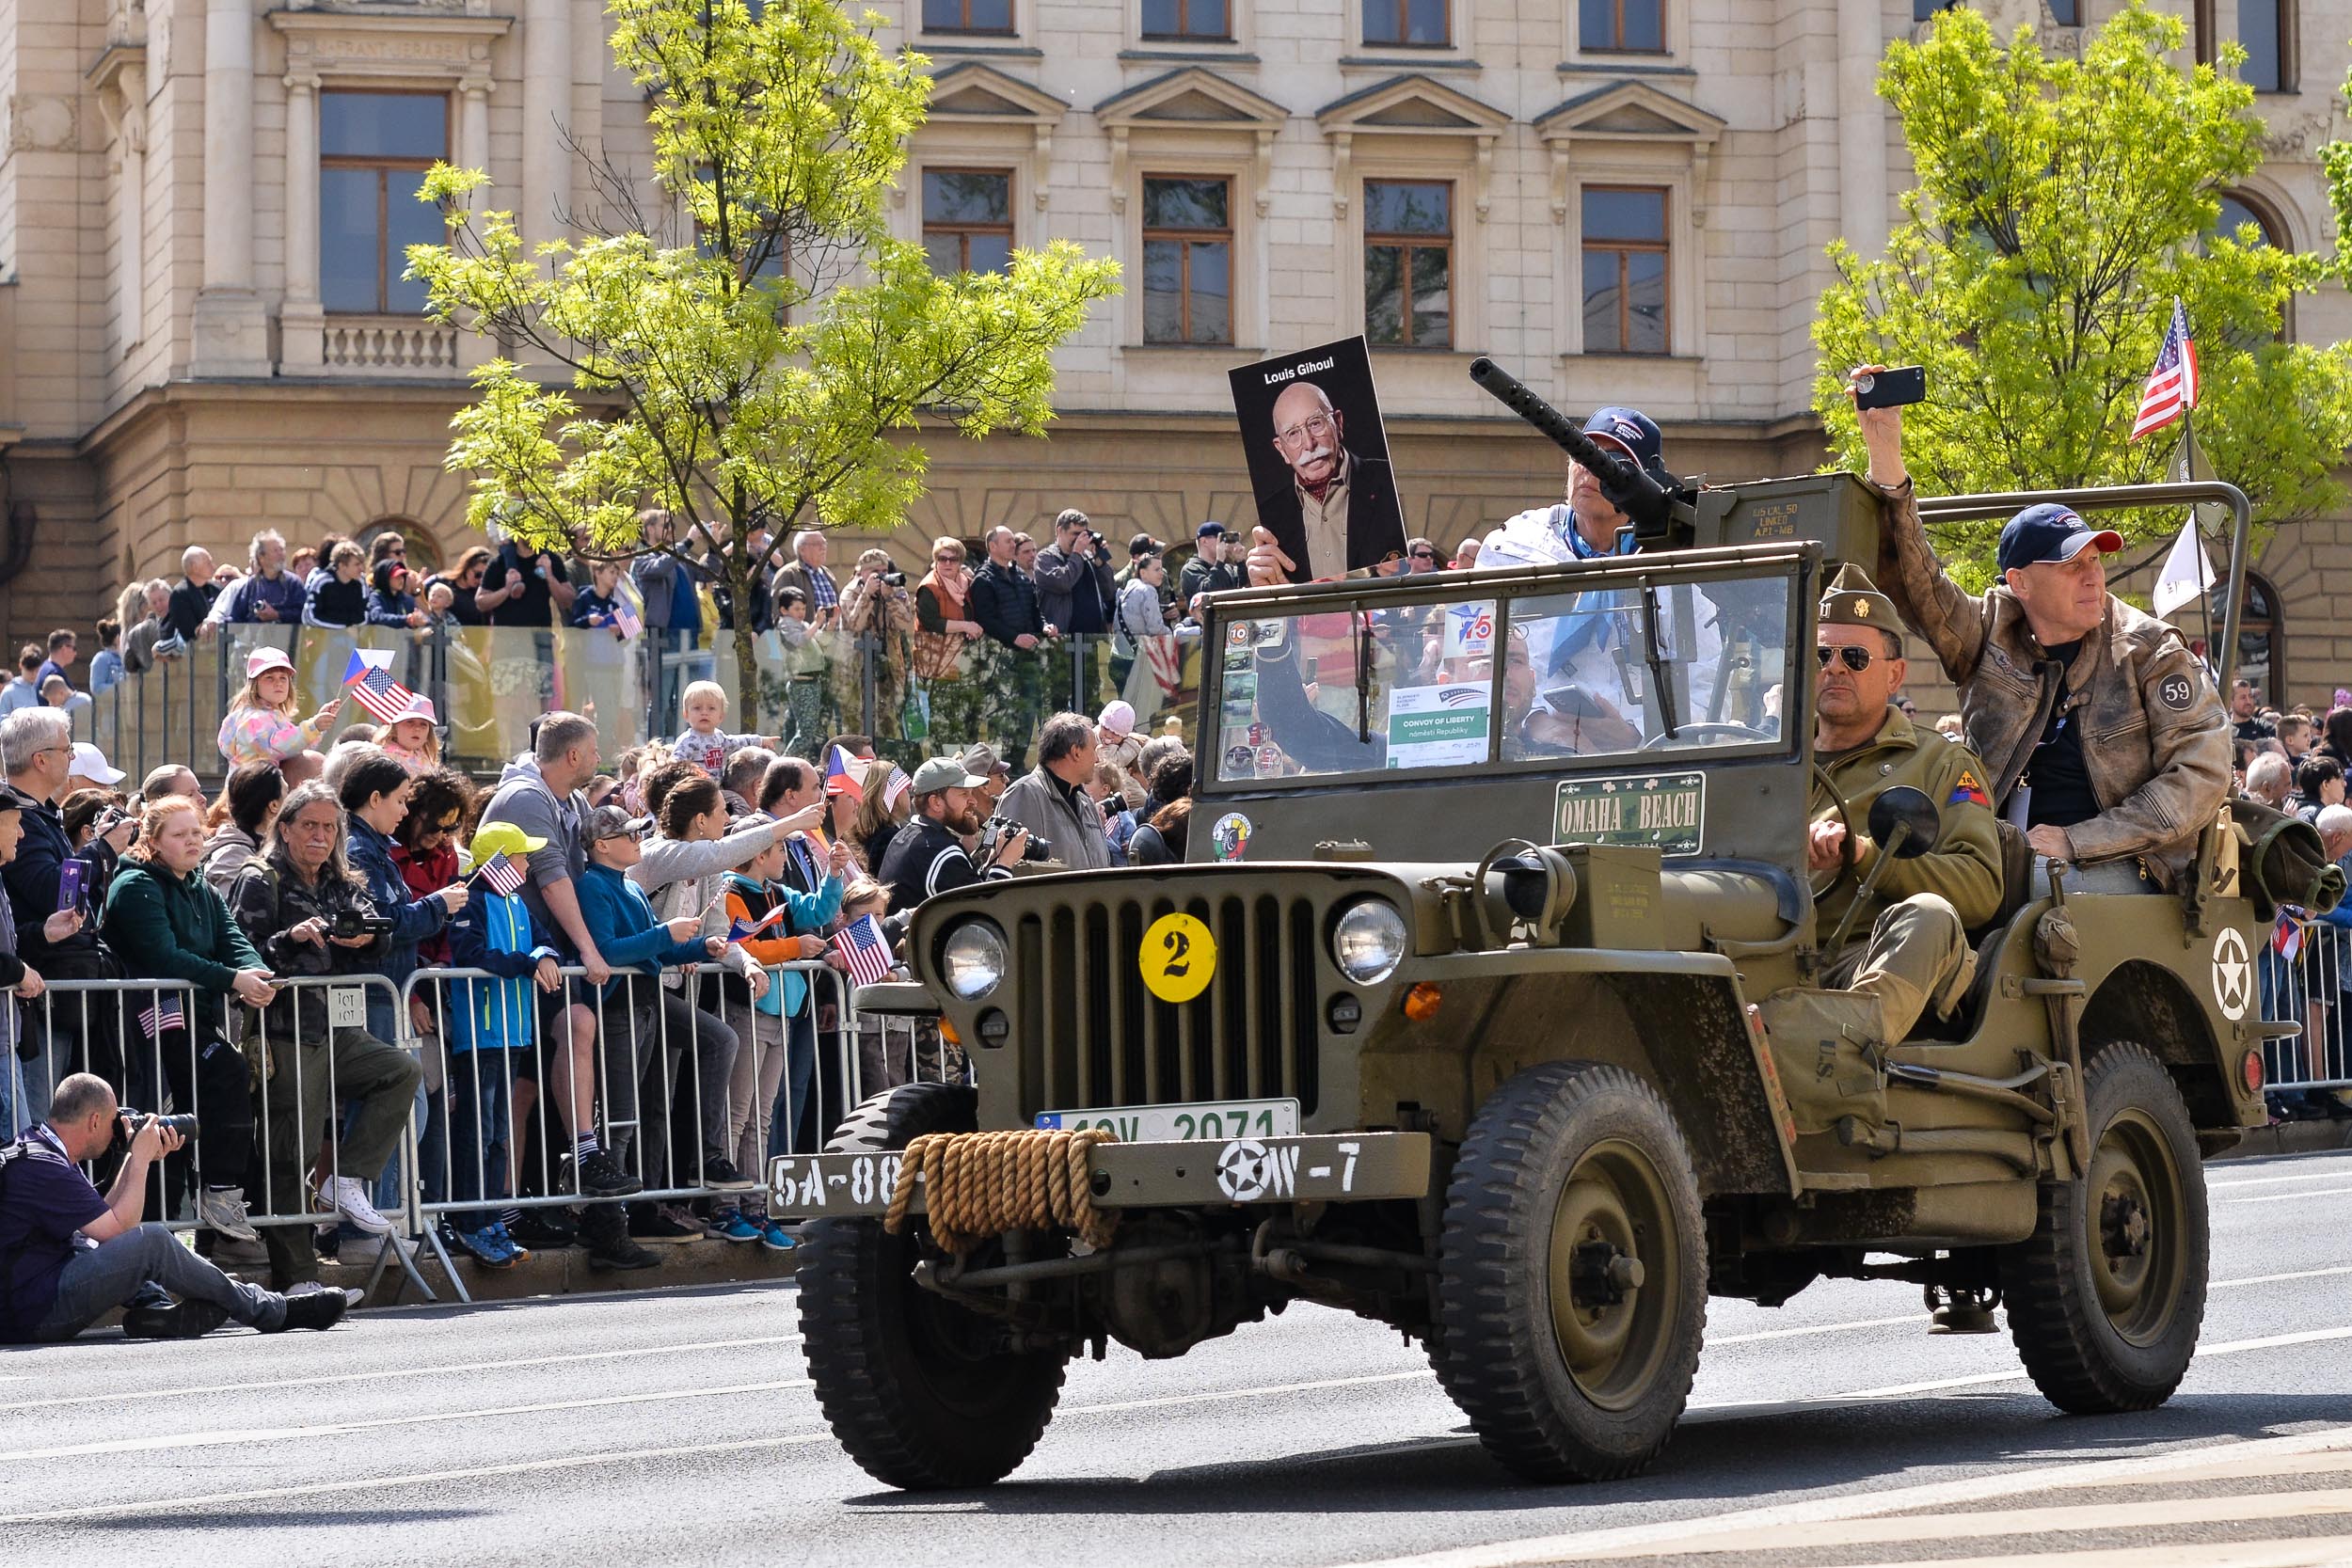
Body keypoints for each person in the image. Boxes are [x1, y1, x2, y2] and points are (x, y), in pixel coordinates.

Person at [1854, 369, 2232, 889]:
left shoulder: (2148, 651)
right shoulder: (1990, 632)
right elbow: (1918, 587)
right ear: (2020, 583)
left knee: (2029, 891)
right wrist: (1885, 452)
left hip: (2125, 865)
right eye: (2071, 565)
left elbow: (2201, 775)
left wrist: (2080, 840)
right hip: (1995, 854)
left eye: (2095, 560)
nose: (2092, 576)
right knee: (1892, 885)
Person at [225, 783, 428, 1286]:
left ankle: (347, 1179)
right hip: (282, 1029)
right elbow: (239, 950)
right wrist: (290, 939)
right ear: (285, 828)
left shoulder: (340, 878)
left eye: (329, 827)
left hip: (336, 1026)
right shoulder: (261, 877)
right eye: (309, 826)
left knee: (400, 1071)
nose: (320, 836)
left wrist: (366, 937)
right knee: (292, 1154)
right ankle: (299, 1277)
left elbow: (376, 930)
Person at [1796, 566, 2004, 1050]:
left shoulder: (1939, 763)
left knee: (1930, 916)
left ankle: (1838, 1050)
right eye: (1823, 655)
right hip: (1758, 950)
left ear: (1895, 674)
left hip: (1863, 957)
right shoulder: (1773, 759)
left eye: (1855, 657)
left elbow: (1981, 887)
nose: (1835, 668)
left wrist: (1865, 856)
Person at [0, 1075, 348, 1340]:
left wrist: (134, 1157)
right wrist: (140, 1158)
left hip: (31, 1296)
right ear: (93, 1121)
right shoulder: (43, 1167)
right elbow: (117, 1229)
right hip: (31, 1312)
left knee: (99, 1245)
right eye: (111, 1122)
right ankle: (271, 1310)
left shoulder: (40, 1147)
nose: (115, 1130)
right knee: (151, 1242)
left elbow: (100, 1219)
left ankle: (157, 1311)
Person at [96, 793, 274, 1247]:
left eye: (197, 831)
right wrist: (232, 979)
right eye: (179, 834)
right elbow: (165, 956)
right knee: (172, 1117)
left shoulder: (201, 886)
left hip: (194, 1018)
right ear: (153, 841)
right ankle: (204, 1201)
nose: (193, 841)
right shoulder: (134, 885)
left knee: (192, 1116)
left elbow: (232, 938)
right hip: (143, 1027)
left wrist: (255, 972)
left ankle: (214, 1206)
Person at [576, 803, 736, 1250]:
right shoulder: (592, 885)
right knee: (621, 1117)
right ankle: (607, 1226)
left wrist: (702, 947)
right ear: (601, 846)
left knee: (719, 1041)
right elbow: (608, 951)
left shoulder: (627, 885)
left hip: (645, 1002)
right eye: (629, 834)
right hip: (618, 1008)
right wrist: (668, 934)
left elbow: (657, 953)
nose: (638, 840)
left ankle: (704, 1158)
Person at [714, 825, 850, 1242]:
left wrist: (833, 875)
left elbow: (817, 912)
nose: (785, 858)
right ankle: (725, 1209)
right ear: (758, 854)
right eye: (778, 850)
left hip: (783, 1016)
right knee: (737, 1114)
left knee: (761, 1116)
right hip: (747, 1012)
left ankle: (757, 1208)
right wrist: (794, 947)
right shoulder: (730, 893)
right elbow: (744, 947)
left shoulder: (777, 892)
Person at [479, 712, 613, 990]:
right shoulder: (525, 797)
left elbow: (603, 860)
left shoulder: (574, 799)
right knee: (578, 1016)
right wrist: (589, 950)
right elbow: (553, 881)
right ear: (573, 756)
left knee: (582, 1017)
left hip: (552, 950)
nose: (598, 759)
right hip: (518, 956)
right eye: (594, 751)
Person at [1252, 380, 1404, 582]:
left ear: (1338, 423)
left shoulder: (1389, 483)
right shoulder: (1271, 516)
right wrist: (1263, 588)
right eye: (1293, 434)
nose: (1309, 444)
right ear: (1281, 449)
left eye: (1315, 423)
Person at [877, 756, 1026, 914]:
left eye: (971, 793)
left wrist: (993, 860)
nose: (973, 801)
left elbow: (970, 888)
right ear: (936, 802)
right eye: (964, 794)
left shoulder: (905, 836)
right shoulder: (941, 852)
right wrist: (1005, 863)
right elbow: (984, 912)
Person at [994, 711, 1112, 872]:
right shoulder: (1025, 794)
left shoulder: (1086, 803)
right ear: (1076, 752)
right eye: (1093, 750)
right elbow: (1010, 869)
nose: (1097, 759)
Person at [835, 548, 919, 746]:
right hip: (855, 667)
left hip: (887, 665)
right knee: (855, 721)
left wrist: (889, 598)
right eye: (875, 571)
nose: (881, 575)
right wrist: (867, 595)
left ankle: (884, 759)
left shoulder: (894, 589)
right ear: (862, 572)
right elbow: (855, 623)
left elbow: (905, 622)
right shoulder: (851, 592)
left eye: (884, 570)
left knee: (888, 720)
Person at [217, 646, 343, 768]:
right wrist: (313, 726)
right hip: (254, 782)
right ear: (254, 685)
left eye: (283, 678)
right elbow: (279, 746)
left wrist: (319, 725)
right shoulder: (255, 719)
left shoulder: (270, 715)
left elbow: (297, 746)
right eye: (269, 678)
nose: (278, 683)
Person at [199, 760, 286, 896]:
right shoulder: (232, 856)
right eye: (288, 794)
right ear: (274, 806)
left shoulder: (265, 846)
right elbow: (234, 906)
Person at [1031, 511, 1114, 641]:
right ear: (1059, 531)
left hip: (1094, 639)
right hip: (1062, 640)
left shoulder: (1087, 558)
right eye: (1075, 534)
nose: (1079, 539)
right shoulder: (1045, 558)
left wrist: (1100, 564)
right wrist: (1077, 553)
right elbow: (1062, 583)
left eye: (1083, 534)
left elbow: (1109, 592)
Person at [673, 678, 778, 772]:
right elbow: (675, 766)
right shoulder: (688, 741)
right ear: (686, 715)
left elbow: (737, 742)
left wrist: (760, 740)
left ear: (721, 716)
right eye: (697, 708)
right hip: (697, 786)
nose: (704, 712)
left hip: (718, 785)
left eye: (711, 708)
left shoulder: (719, 737)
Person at [477, 533, 578, 628]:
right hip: (506, 635)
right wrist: (506, 590)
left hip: (540, 635)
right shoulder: (499, 562)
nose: (532, 532)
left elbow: (568, 602)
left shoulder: (551, 560)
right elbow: (481, 603)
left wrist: (550, 576)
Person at [212, 529, 309, 627]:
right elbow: (236, 618)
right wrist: (216, 625)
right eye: (275, 550)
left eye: (281, 549)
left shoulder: (294, 583)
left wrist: (277, 615)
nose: (281, 554)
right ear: (261, 557)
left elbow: (303, 614)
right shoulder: (250, 585)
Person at [771, 531, 841, 633]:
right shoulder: (788, 574)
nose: (823, 547)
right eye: (817, 544)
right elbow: (777, 612)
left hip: (831, 637)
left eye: (824, 543)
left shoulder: (827, 574)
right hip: (805, 639)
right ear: (802, 550)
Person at [1177, 521, 1247, 608]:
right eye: (1221, 539)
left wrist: (1240, 562)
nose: (1224, 543)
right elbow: (1207, 593)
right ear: (1204, 541)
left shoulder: (1228, 569)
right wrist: (1219, 561)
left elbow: (1243, 589)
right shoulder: (1190, 569)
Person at [301, 541, 369, 629]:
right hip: (322, 636)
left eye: (362, 564)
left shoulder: (361, 582)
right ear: (342, 566)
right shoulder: (322, 582)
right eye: (357, 564)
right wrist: (342, 627)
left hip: (350, 636)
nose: (362, 568)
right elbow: (309, 617)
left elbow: (364, 616)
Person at [164, 546, 222, 643]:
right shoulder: (180, 595)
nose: (214, 567)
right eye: (208, 563)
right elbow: (189, 633)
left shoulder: (217, 589)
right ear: (195, 567)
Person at [378, 694, 442, 775]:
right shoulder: (385, 759)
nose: (417, 728)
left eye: (423, 724)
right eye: (410, 722)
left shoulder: (427, 759)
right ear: (394, 729)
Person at [120, 579, 175, 674]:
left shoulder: (127, 631)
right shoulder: (141, 630)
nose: (157, 605)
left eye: (161, 599)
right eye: (153, 602)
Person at [366, 561, 428, 630]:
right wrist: (405, 619)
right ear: (385, 578)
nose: (401, 579)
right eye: (396, 576)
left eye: (402, 576)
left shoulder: (407, 600)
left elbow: (420, 620)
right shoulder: (376, 597)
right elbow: (377, 617)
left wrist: (417, 621)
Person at [2231, 679, 2276, 744]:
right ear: (2231, 702)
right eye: (2243, 698)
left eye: (2250, 696)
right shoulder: (2225, 730)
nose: (2248, 702)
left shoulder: (2264, 728)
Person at [88, 619, 125, 696]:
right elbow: (96, 688)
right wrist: (122, 688)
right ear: (118, 638)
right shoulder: (101, 659)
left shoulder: (126, 658)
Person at [34, 630, 76, 694]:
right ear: (64, 648)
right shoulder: (56, 673)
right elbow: (71, 699)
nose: (75, 653)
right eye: (74, 648)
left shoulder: (45, 668)